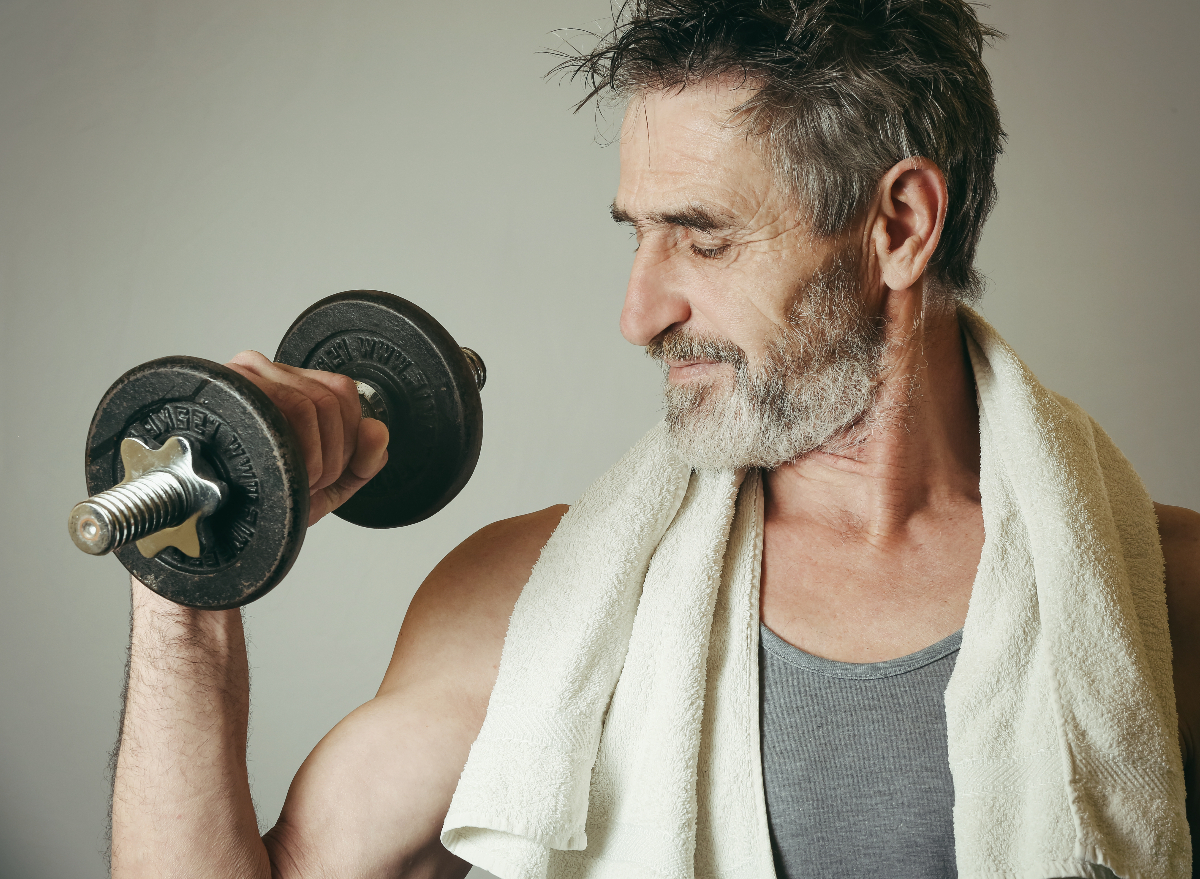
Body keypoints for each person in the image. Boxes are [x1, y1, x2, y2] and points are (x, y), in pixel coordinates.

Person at [109, 1, 1199, 877]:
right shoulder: (529, 608)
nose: (639, 315)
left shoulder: (1164, 606)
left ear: (899, 226)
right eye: (640, 235)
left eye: (704, 238)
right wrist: (188, 583)